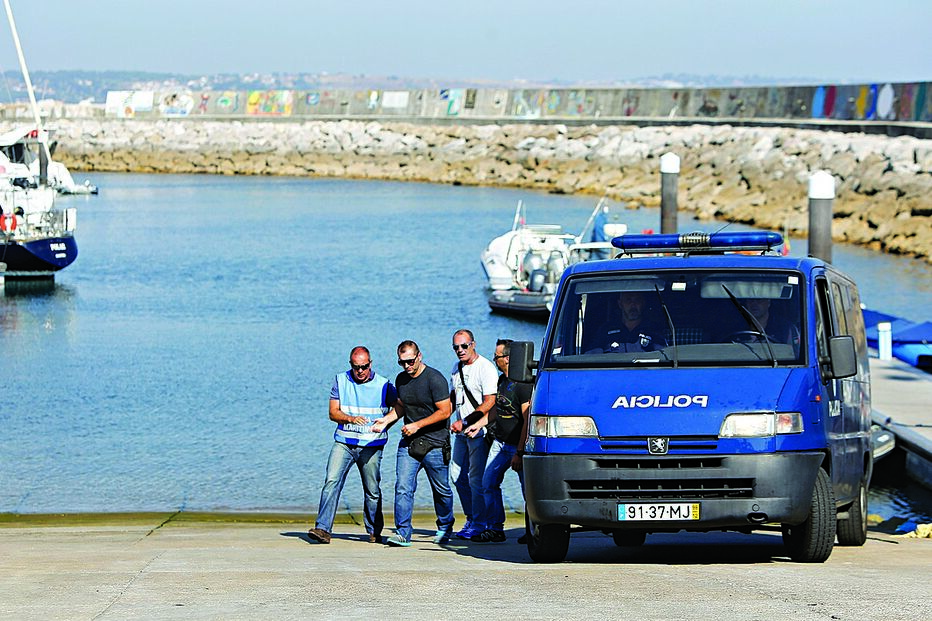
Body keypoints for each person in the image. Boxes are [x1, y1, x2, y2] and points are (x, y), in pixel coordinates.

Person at [308, 346, 397, 545]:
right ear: (351, 365)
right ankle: (323, 529)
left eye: (364, 367)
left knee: (372, 490)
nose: (360, 371)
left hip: (372, 445)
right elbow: (333, 412)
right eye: (356, 367)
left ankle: (374, 530)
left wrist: (386, 422)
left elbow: (400, 407)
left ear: (370, 364)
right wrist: (349, 418)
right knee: (331, 482)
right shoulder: (341, 380)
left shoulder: (384, 385)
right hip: (344, 442)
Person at [371, 340, 455, 547]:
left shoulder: (435, 379)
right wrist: (386, 420)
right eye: (402, 362)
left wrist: (417, 425)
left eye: (410, 361)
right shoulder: (401, 379)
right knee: (403, 487)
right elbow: (401, 407)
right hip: (410, 443)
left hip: (436, 442)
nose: (407, 366)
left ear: (419, 356)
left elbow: (445, 411)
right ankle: (403, 532)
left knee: (441, 489)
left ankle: (445, 526)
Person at [464, 339, 532, 543]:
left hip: (518, 446)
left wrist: (519, 452)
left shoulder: (524, 386)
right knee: (488, 483)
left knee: (527, 491)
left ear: (508, 358)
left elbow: (527, 420)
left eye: (497, 357)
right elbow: (497, 409)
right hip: (500, 443)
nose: (494, 360)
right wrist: (480, 423)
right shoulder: (502, 381)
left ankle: (533, 530)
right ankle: (495, 528)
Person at [448, 329, 498, 540]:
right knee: (456, 476)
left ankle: (481, 523)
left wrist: (467, 422)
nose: (460, 350)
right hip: (461, 432)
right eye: (456, 347)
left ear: (473, 344)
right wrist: (443, 420)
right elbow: (453, 398)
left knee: (475, 479)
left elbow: (490, 401)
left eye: (464, 346)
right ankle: (472, 517)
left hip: (479, 431)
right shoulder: (456, 368)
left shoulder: (485, 368)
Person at [594, 291, 667, 352]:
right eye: (628, 300)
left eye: (637, 300)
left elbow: (665, 357)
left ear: (643, 303)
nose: (633, 304)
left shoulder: (654, 330)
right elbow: (591, 358)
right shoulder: (606, 330)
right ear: (620, 304)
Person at [732, 298, 800, 346]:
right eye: (751, 300)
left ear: (768, 302)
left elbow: (795, 355)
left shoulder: (786, 330)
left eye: (759, 300)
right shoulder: (735, 329)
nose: (754, 304)